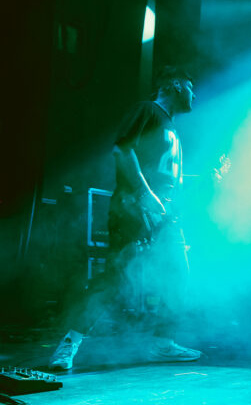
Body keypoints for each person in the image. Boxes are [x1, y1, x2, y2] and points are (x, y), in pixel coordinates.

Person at [49, 66, 202, 370]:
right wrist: (144, 194)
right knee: (114, 278)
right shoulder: (148, 111)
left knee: (179, 276)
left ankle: (163, 343)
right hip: (134, 210)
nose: (193, 94)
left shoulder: (171, 129)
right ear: (174, 85)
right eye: (189, 86)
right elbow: (122, 150)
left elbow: (169, 180)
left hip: (164, 219)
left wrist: (208, 179)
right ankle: (69, 343)